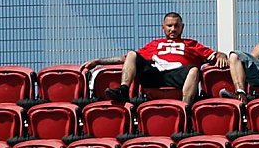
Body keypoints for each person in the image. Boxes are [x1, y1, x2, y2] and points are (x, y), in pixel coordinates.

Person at [94, 12, 223, 107]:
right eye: (169, 26)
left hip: (177, 76)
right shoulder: (154, 43)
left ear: (182, 27)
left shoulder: (191, 44)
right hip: (155, 74)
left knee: (194, 70)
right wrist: (99, 61)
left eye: (176, 26)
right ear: (163, 27)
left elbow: (213, 55)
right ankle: (123, 90)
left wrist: (221, 55)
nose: (173, 29)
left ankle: (185, 109)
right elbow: (125, 59)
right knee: (132, 54)